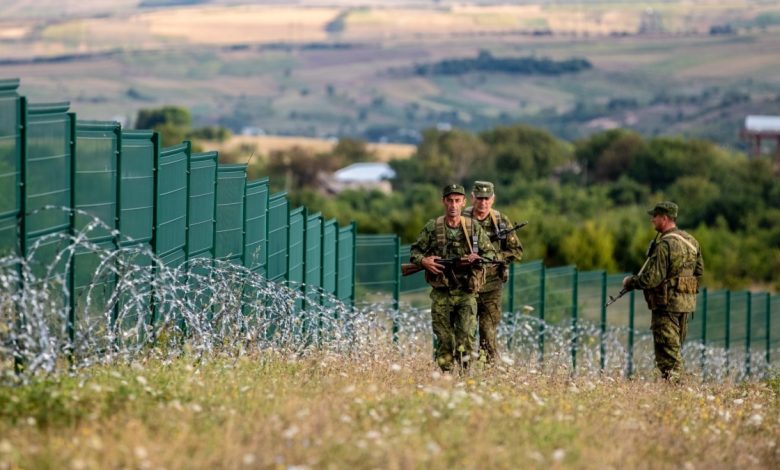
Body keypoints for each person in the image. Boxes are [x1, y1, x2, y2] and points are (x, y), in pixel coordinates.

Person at [410, 184, 497, 372]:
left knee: (465, 337)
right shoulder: (433, 227)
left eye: (458, 201)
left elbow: (491, 254)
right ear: (443, 202)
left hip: (466, 292)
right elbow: (415, 252)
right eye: (450, 200)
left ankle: (466, 376)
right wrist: (424, 261)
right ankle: (446, 377)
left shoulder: (473, 228)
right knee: (444, 339)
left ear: (464, 202)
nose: (453, 205)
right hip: (442, 293)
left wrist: (477, 258)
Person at [622, 201, 704, 383]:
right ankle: (677, 394)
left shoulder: (665, 245)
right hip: (685, 306)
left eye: (655, 216)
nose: (652, 220)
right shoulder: (691, 241)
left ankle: (681, 395)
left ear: (665, 218)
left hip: (666, 306)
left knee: (668, 359)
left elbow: (651, 279)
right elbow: (699, 272)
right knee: (674, 352)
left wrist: (630, 282)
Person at [463, 180, 524, 364]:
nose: (483, 203)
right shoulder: (462, 219)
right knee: (464, 333)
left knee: (488, 336)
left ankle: (487, 375)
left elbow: (517, 251)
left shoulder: (500, 221)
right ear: (472, 198)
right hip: (465, 285)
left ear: (493, 199)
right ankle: (462, 374)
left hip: (491, 288)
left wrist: (494, 256)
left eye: (487, 199)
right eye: (479, 198)